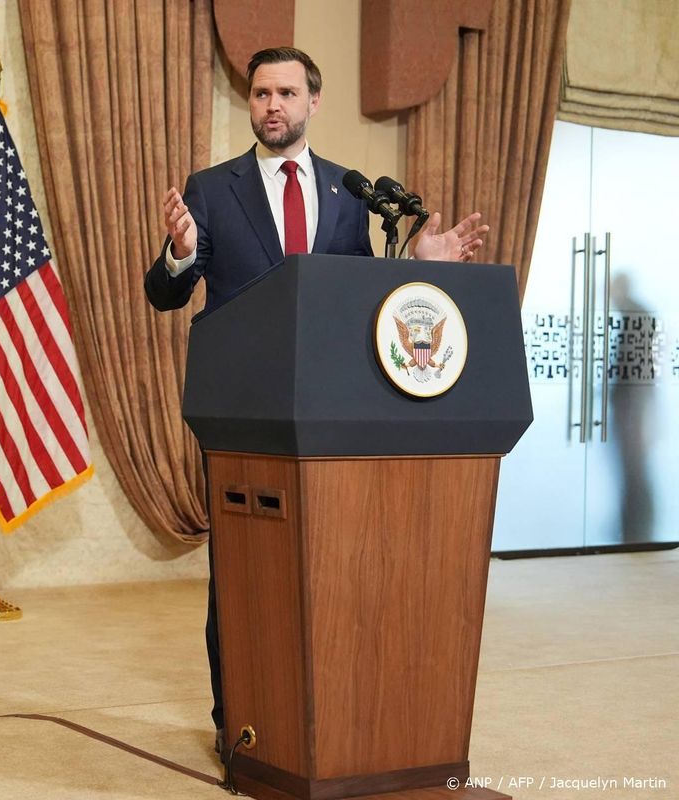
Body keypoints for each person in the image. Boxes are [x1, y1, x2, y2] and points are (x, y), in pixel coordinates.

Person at [144, 46, 488, 752]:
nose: (272, 104)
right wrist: (179, 251)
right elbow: (165, 294)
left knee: (329, 569)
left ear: (312, 102)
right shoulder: (212, 189)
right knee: (241, 573)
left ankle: (326, 714)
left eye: (286, 93)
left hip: (327, 414)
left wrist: (418, 268)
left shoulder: (347, 193)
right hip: (241, 411)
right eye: (261, 93)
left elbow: (357, 299)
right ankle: (237, 720)